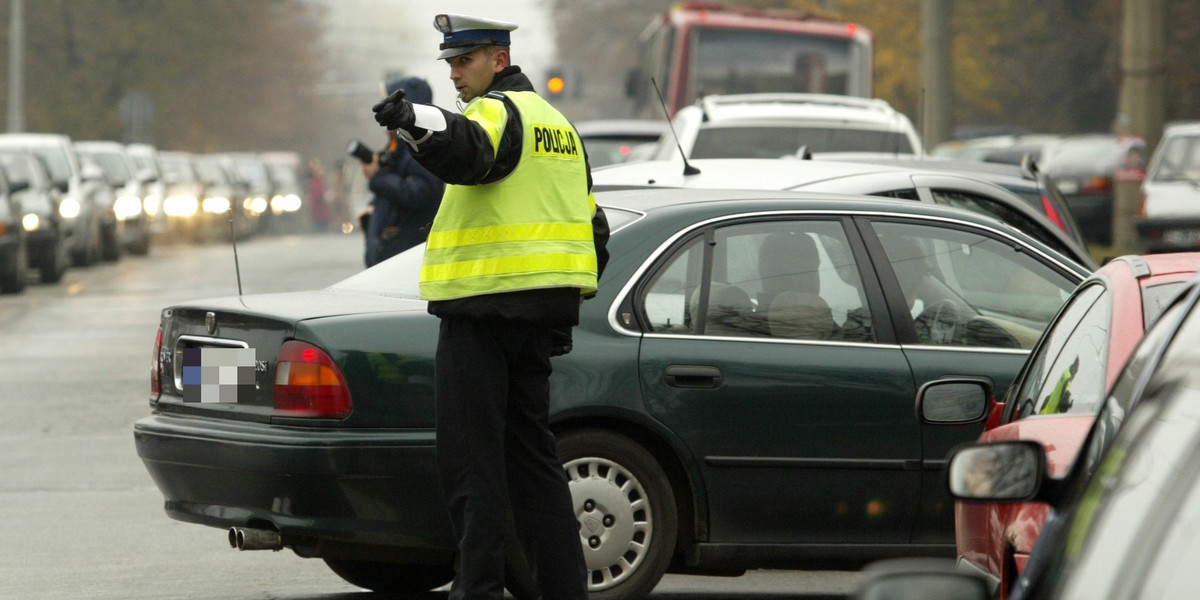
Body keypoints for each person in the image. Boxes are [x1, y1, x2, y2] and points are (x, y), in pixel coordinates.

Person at [372, 13, 606, 600]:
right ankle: (564, 591)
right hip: (537, 317)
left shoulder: (495, 112)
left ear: (498, 60)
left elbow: (465, 150)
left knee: (471, 466)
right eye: (449, 63)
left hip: (482, 313)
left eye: (465, 61)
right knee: (534, 465)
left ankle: (477, 590)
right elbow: (594, 227)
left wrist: (410, 121)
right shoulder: (560, 126)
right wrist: (558, 301)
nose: (455, 74)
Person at [360, 77, 444, 267]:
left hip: (406, 263)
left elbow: (421, 193)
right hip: (394, 261)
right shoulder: (398, 150)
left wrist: (378, 177)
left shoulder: (421, 148)